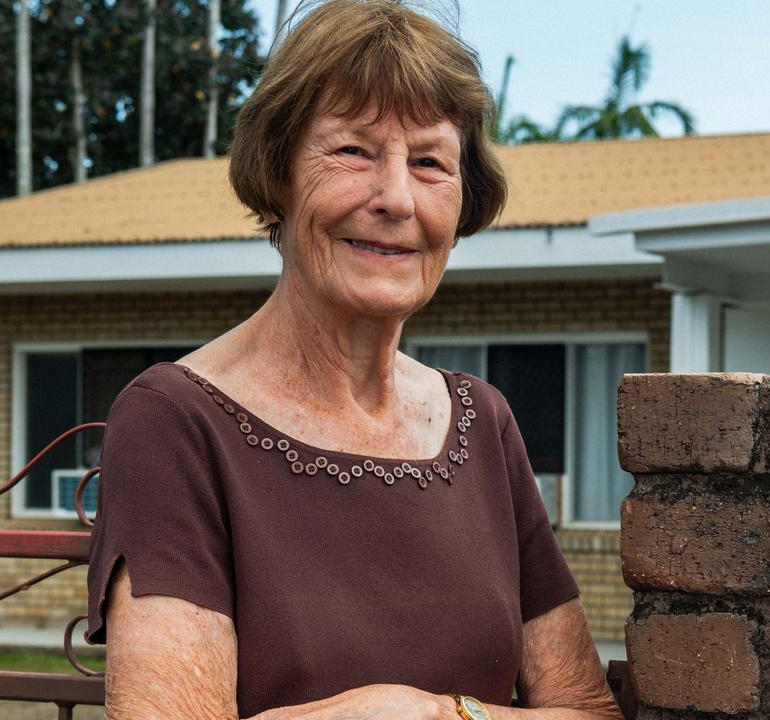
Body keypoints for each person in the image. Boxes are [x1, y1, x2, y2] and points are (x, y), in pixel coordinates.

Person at [85, 2, 625, 718]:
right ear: (276, 178)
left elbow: (586, 711)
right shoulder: (176, 420)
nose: (397, 198)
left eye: (430, 162)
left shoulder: (482, 422)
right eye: (353, 151)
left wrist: (440, 715)